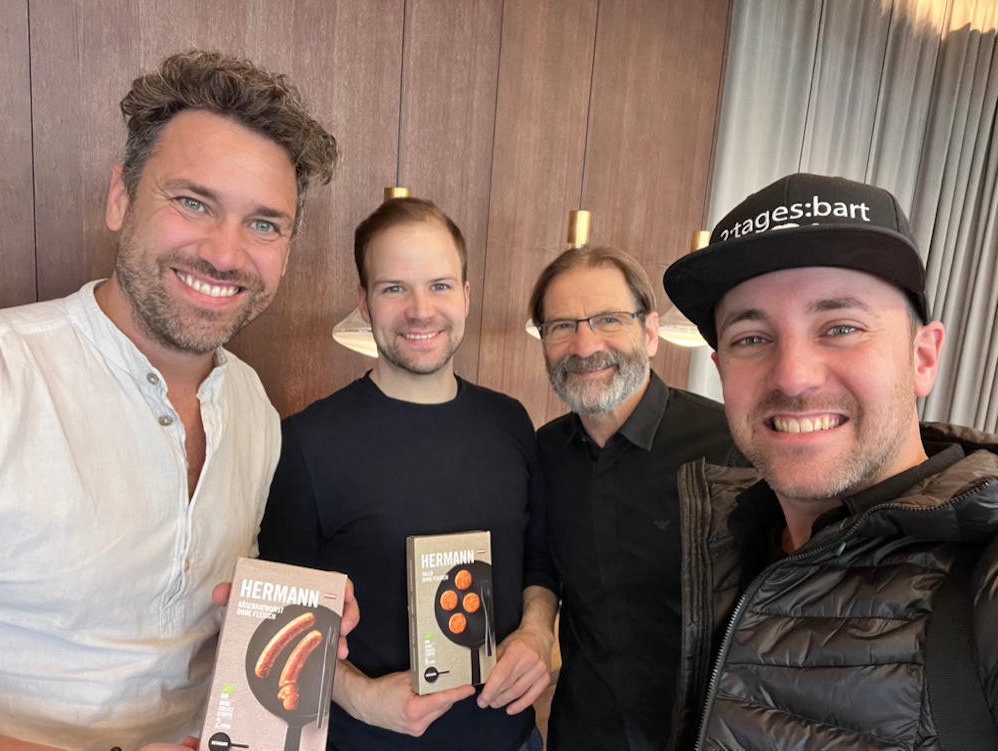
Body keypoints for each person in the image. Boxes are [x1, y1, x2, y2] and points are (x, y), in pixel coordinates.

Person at [0, 51, 357, 751]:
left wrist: (284, 623)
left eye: (264, 224)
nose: (225, 254)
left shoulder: (252, 407)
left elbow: (199, 626)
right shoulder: (10, 375)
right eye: (193, 202)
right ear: (121, 198)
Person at [662, 172, 998, 748]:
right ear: (720, 373)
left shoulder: (982, 585)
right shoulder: (727, 541)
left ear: (923, 358)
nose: (794, 377)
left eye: (841, 328)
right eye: (751, 338)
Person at [258, 197, 559, 751]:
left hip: (511, 739)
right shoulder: (306, 442)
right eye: (394, 288)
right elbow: (278, 619)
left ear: (466, 295)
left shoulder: (510, 421)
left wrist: (538, 632)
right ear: (364, 302)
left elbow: (539, 561)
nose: (421, 311)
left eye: (439, 286)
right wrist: (362, 697)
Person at [527, 246, 741, 750]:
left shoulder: (729, 447)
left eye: (609, 319)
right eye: (562, 326)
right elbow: (540, 567)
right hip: (582, 735)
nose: (584, 345)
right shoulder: (544, 452)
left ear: (649, 332)